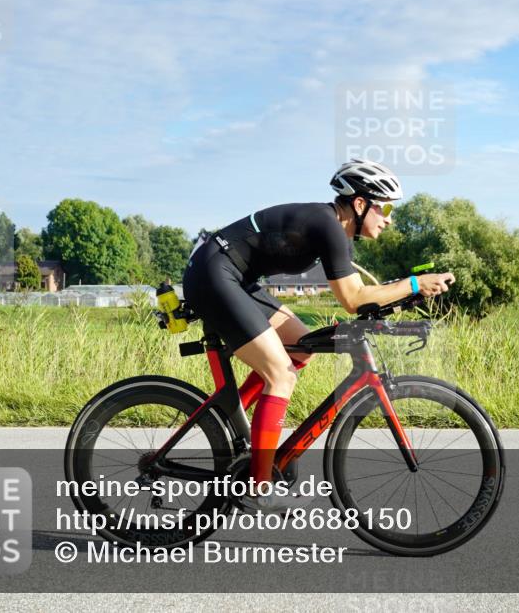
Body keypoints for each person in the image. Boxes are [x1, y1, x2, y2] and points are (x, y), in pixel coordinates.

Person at [182, 158, 455, 513]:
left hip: (233, 276)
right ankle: (260, 488)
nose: (389, 218)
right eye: (384, 207)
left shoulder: (333, 230)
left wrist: (407, 295)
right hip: (213, 273)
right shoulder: (327, 227)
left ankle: (233, 422)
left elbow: (359, 296)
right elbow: (353, 300)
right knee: (281, 374)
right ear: (360, 204)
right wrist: (414, 283)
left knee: (302, 348)